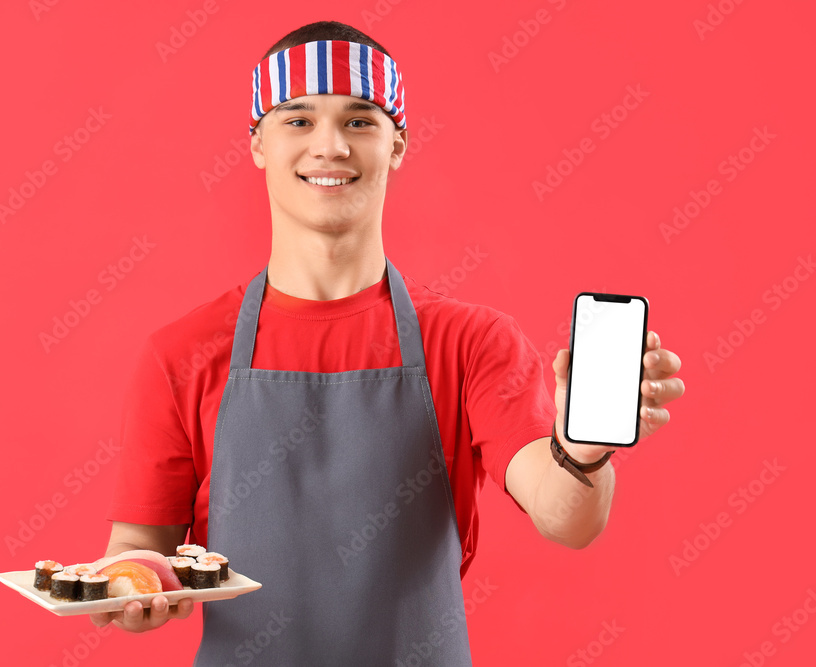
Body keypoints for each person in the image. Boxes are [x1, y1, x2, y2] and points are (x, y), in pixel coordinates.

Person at [90, 19, 685, 664]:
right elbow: (135, 551)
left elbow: (566, 518)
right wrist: (131, 594)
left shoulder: (470, 342)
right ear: (256, 143)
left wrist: (583, 445)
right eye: (296, 120)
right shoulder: (180, 355)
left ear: (397, 145)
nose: (329, 146)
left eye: (359, 120)